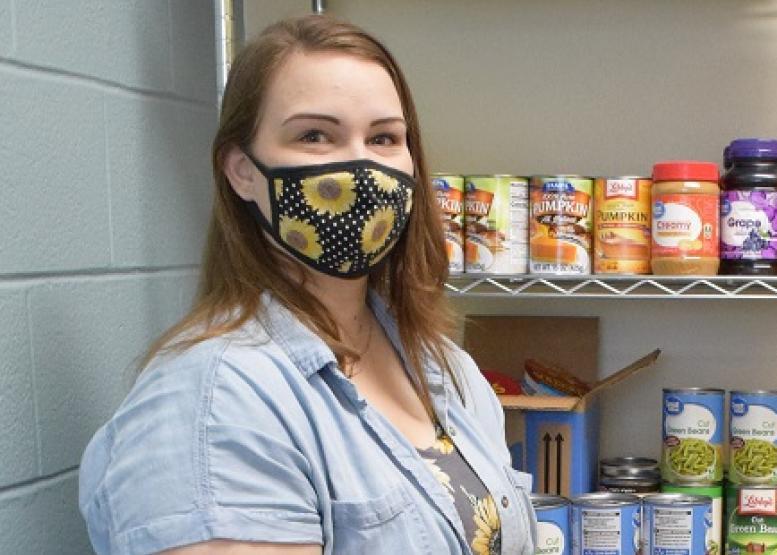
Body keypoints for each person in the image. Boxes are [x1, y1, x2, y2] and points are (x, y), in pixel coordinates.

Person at [78, 15, 535, 555]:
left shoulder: (443, 367)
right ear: (242, 171)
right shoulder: (216, 402)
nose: (361, 167)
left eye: (384, 137)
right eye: (315, 135)